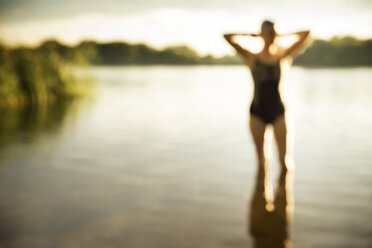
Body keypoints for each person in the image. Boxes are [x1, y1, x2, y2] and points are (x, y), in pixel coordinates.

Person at [223, 20, 311, 172]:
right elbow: (227, 36)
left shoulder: (283, 56)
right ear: (262, 34)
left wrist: (282, 35)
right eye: (268, 33)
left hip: (279, 111)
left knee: (285, 163)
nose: (271, 36)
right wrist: (252, 36)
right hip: (257, 111)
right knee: (261, 162)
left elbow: (306, 34)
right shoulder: (252, 57)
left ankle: (284, 194)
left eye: (273, 33)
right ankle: (261, 193)